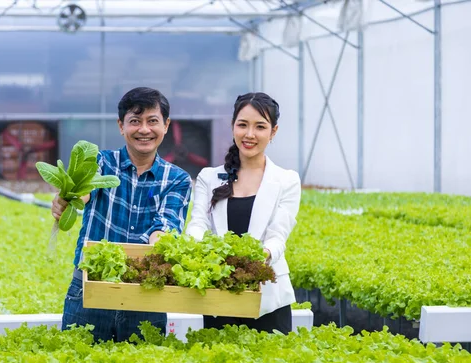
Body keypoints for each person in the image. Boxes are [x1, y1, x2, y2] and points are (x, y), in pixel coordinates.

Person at [52, 87, 192, 342]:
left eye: (152, 121)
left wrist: (160, 241)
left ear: (166, 125)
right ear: (121, 125)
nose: (144, 130)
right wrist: (68, 201)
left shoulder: (177, 178)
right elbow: (84, 191)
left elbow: (167, 224)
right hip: (90, 288)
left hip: (146, 294)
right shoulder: (100, 163)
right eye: (135, 121)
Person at [185, 92, 301, 334]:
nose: (250, 134)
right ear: (232, 126)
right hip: (219, 292)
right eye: (243, 125)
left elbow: (278, 236)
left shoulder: (286, 180)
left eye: (260, 126)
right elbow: (198, 224)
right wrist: (193, 249)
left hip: (268, 299)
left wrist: (262, 255)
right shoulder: (209, 177)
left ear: (274, 131)